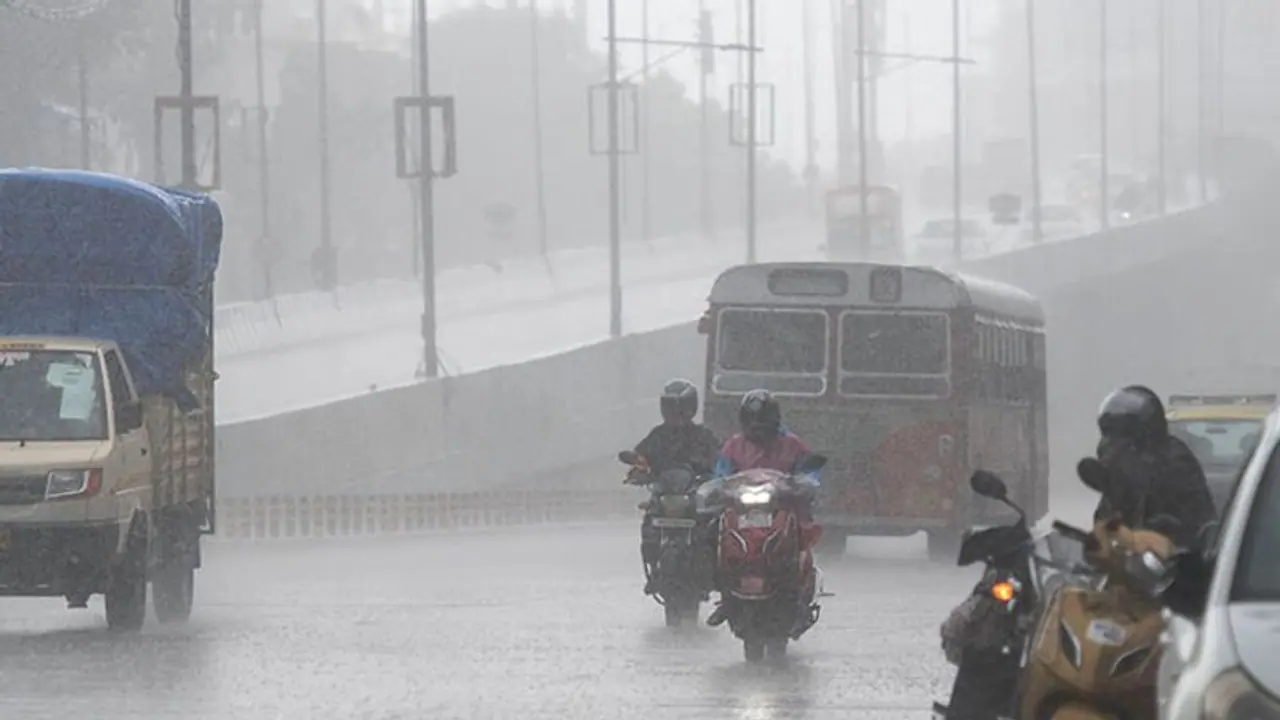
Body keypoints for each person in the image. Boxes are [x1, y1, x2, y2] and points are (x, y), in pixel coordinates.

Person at [1091, 385, 1216, 547]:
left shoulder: (1175, 464)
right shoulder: (1120, 476)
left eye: (1118, 436)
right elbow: (1105, 517)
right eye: (1107, 434)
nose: (1109, 445)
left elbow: (1188, 526)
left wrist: (1145, 537)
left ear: (1140, 436)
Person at [631, 379, 721, 595]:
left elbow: (721, 460)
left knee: (714, 526)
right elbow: (641, 456)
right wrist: (639, 469)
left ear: (691, 407)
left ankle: (714, 574)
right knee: (649, 524)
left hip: (693, 496)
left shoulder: (704, 436)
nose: (675, 413)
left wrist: (715, 477)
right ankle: (654, 569)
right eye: (670, 407)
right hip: (665, 495)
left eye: (680, 407)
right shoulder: (657, 436)